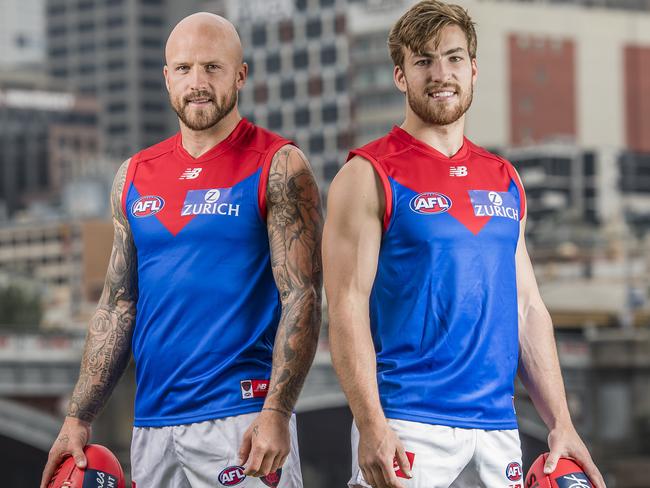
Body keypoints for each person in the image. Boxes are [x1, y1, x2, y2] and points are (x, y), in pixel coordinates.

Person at [323, 2, 605, 488]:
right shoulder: (367, 174)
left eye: (453, 59)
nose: (441, 74)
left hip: (498, 429)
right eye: (424, 61)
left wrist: (561, 421)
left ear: (473, 70)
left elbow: (527, 307)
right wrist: (371, 424)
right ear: (400, 76)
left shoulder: (504, 179)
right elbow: (346, 305)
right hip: (408, 425)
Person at [41, 12, 322, 488]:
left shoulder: (279, 165)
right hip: (153, 424)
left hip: (241, 419)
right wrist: (77, 417)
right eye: (185, 68)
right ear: (167, 77)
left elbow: (302, 296)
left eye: (213, 67)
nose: (198, 83)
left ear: (241, 74)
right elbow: (117, 305)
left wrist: (277, 410)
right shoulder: (133, 175)